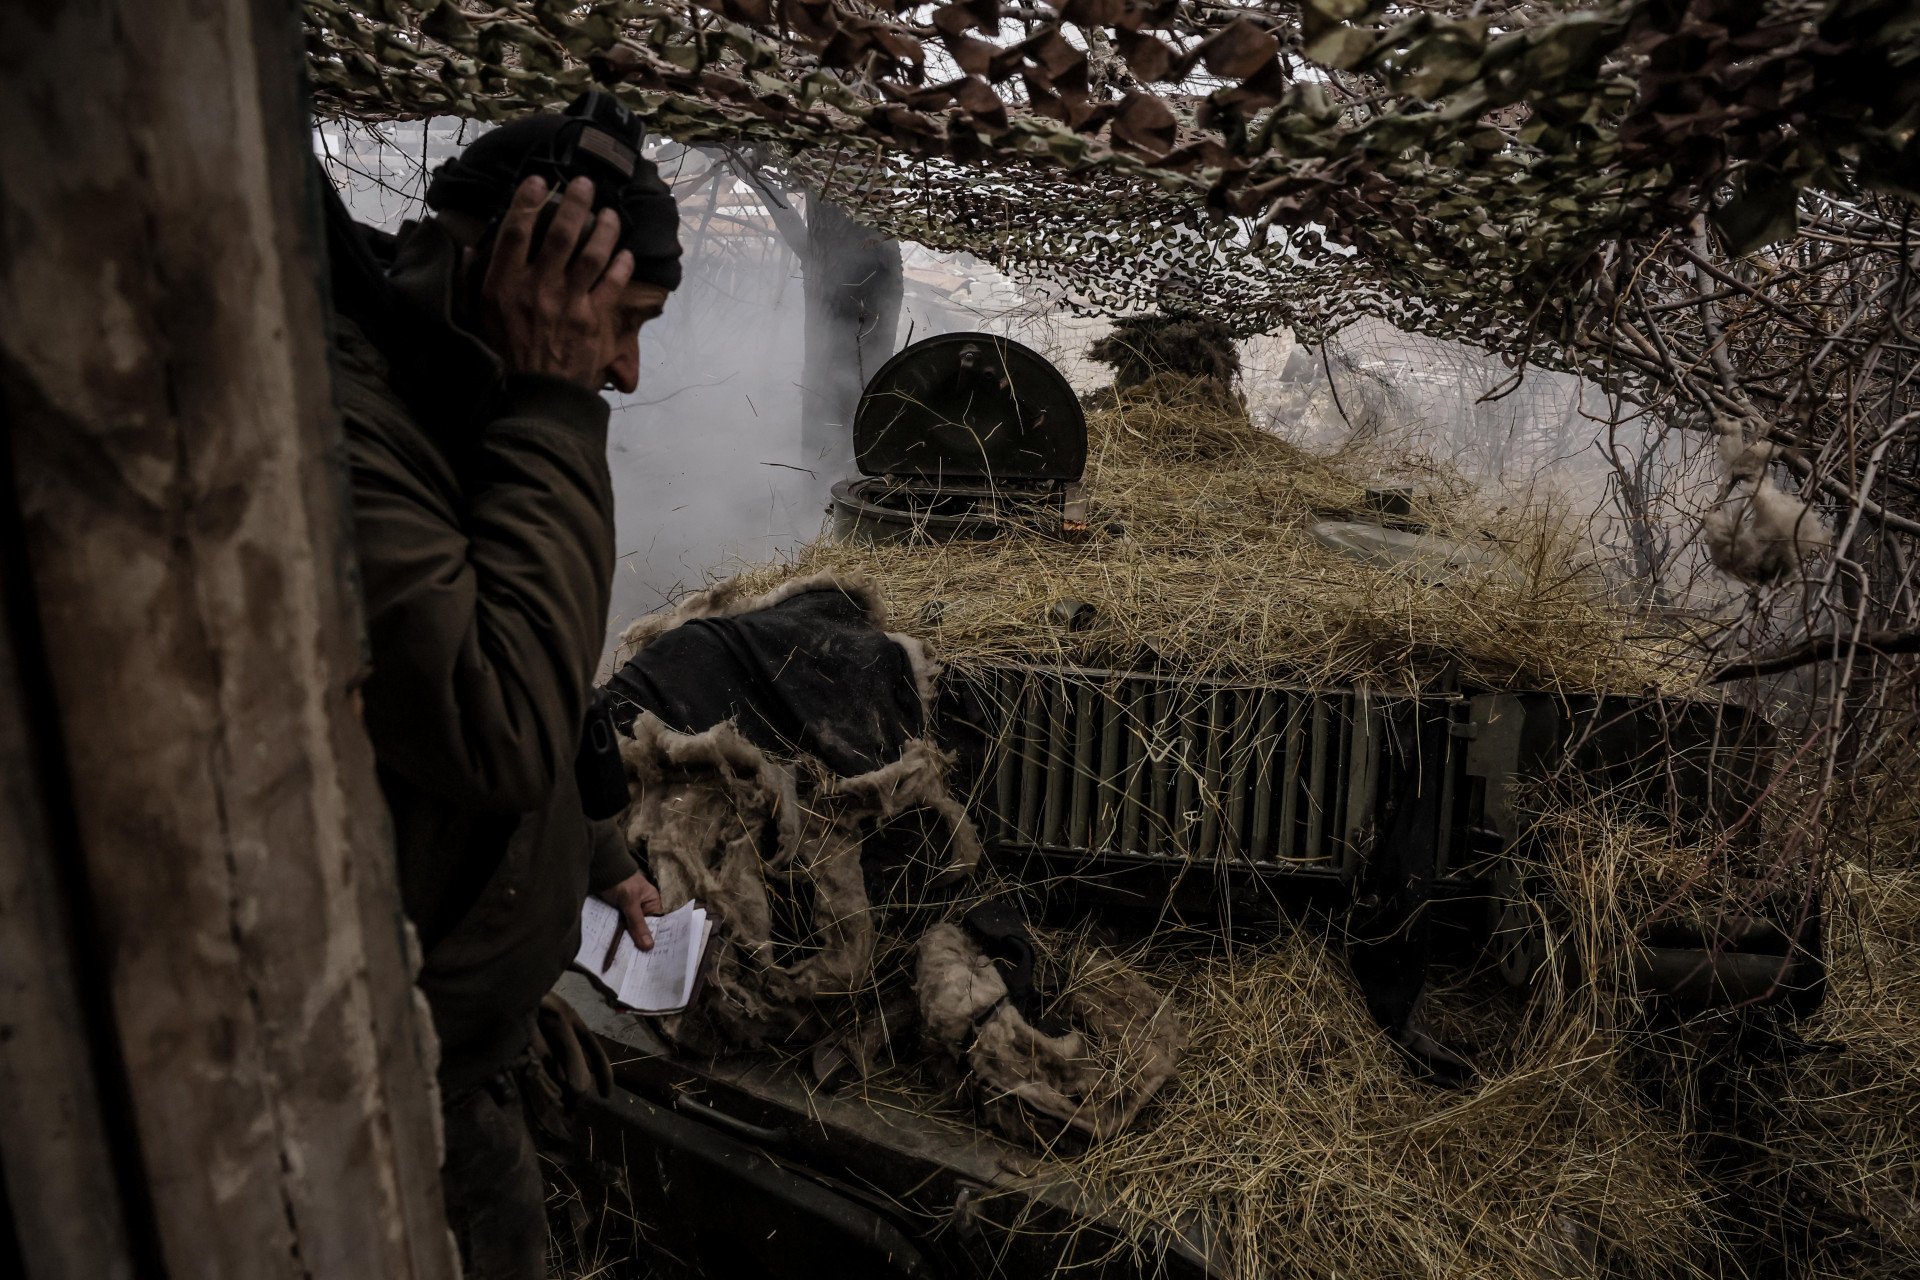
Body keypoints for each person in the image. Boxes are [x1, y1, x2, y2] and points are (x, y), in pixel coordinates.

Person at [323, 96, 680, 1279]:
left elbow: (540, 655)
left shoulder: (458, 383)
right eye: (619, 322)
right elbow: (500, 720)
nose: (625, 368)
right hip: (365, 1093)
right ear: (516, 262)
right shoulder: (346, 423)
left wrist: (598, 852)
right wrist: (555, 403)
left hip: (468, 1060)